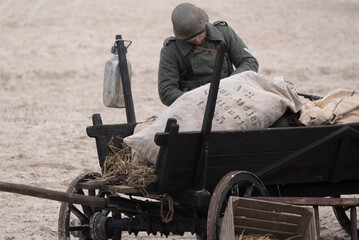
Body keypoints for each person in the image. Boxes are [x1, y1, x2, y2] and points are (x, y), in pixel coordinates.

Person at [158, 3, 259, 106]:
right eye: (191, 39)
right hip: (194, 105)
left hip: (232, 96)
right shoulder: (171, 50)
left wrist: (229, 85)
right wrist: (197, 101)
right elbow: (166, 91)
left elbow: (249, 62)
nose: (197, 41)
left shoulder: (224, 33)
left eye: (199, 35)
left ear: (204, 25)